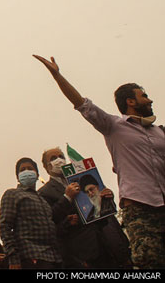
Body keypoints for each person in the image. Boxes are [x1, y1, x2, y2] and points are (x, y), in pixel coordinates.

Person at [34, 55, 165, 269]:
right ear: (130, 101)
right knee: (151, 264)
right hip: (141, 208)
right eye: (144, 96)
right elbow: (81, 104)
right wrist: (58, 76)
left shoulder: (159, 133)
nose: (150, 100)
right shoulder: (114, 127)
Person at [38, 147, 131, 268]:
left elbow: (106, 213)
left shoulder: (84, 178)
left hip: (109, 245)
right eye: (53, 158)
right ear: (46, 167)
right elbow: (51, 222)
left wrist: (107, 199)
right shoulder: (45, 192)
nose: (59, 160)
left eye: (61, 156)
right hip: (83, 255)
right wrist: (67, 198)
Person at [0, 157, 62, 269]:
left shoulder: (43, 200)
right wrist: (13, 258)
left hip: (53, 258)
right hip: (31, 257)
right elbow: (5, 227)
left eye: (30, 168)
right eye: (22, 170)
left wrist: (67, 223)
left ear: (37, 175)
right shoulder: (12, 194)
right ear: (18, 177)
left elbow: (49, 226)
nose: (26, 171)